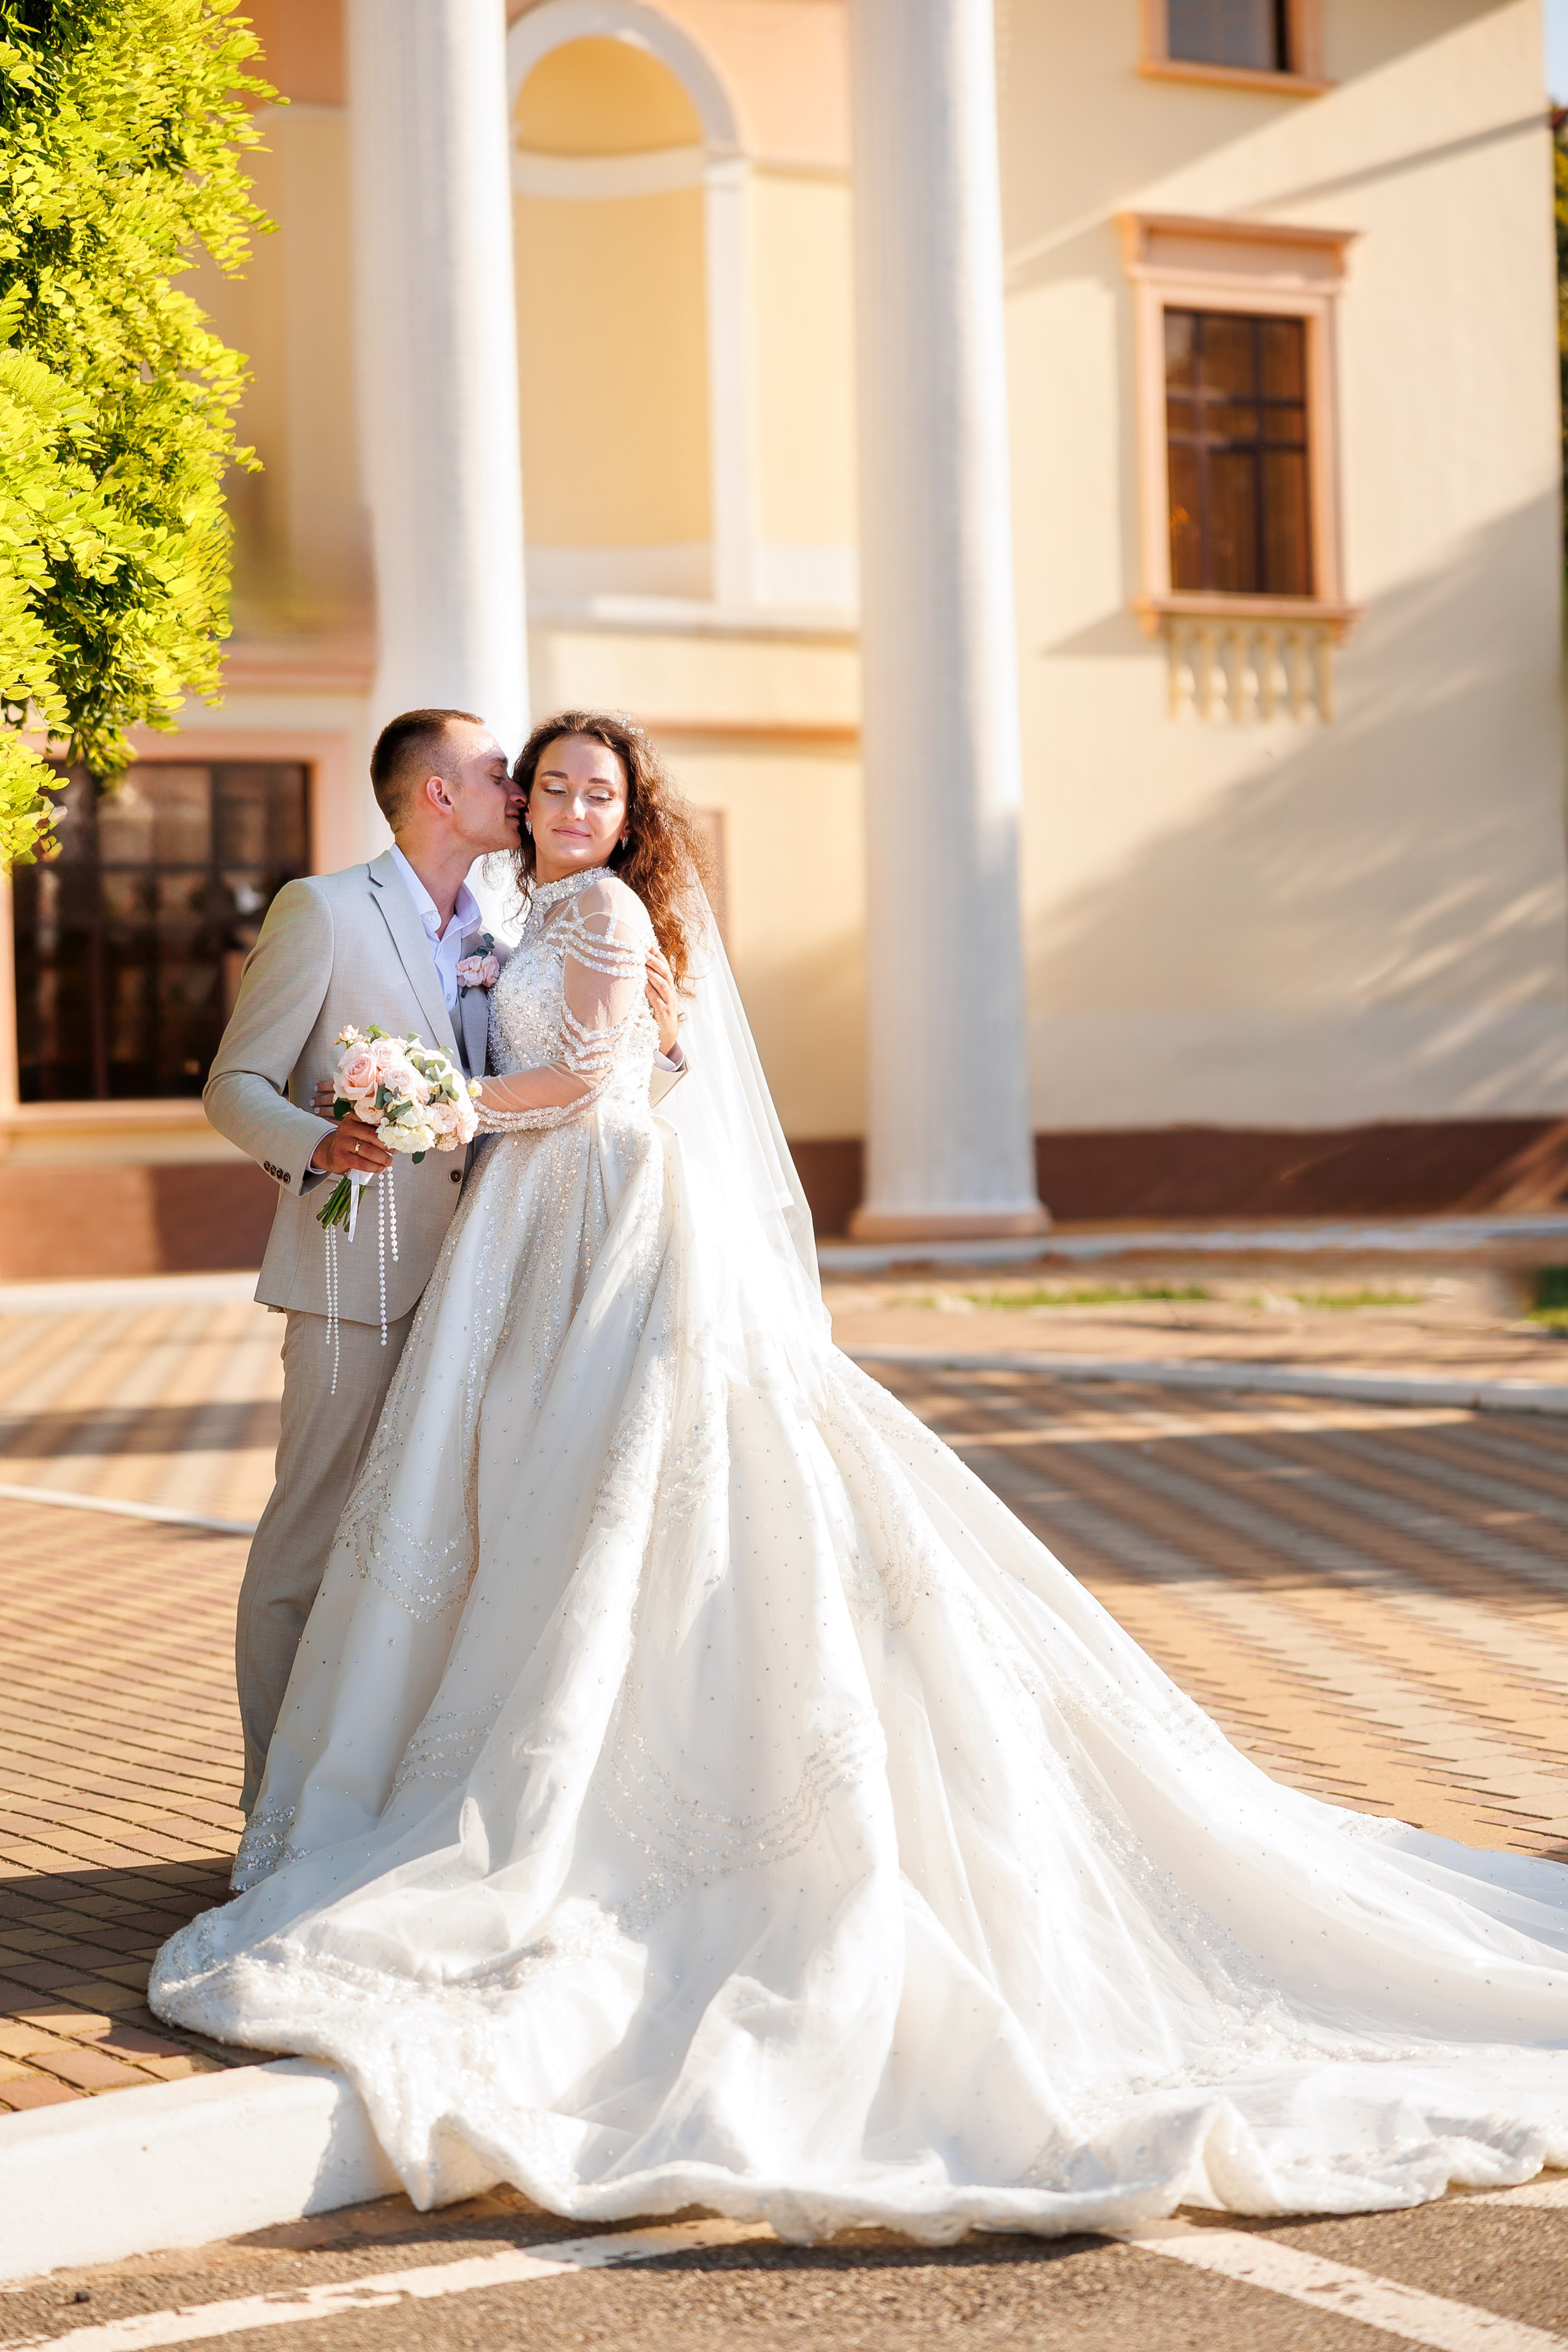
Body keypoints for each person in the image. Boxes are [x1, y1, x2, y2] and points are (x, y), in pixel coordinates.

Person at [156, 708, 1568, 2243]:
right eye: (532, 780)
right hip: (457, 1250)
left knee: (610, 1492)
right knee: (413, 1525)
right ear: (459, 797)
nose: (548, 799)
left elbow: (609, 1070)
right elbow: (400, 1063)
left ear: (624, 813)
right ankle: (299, 1803)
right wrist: (395, 1122)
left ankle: (484, 1795)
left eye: (580, 786)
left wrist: (448, 1103)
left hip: (583, 1213)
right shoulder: (477, 908)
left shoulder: (602, 903)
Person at [205, 707, 686, 1813]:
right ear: (436, 793)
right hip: (355, 1273)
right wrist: (315, 1142)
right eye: (501, 774)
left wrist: (659, 1046)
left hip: (501, 1281)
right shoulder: (323, 911)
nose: (524, 793)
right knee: (311, 1544)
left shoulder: (510, 925)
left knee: (434, 1548)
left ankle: (381, 1795)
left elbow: (571, 1071)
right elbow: (234, 1085)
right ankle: (274, 1809)